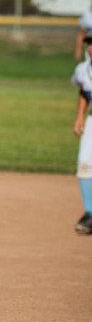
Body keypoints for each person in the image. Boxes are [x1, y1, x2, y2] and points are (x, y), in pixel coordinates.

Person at [72, 34, 92, 235]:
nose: (90, 48)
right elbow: (84, 92)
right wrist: (79, 117)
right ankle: (90, 214)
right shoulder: (83, 70)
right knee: (84, 163)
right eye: (89, 43)